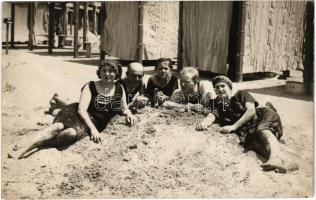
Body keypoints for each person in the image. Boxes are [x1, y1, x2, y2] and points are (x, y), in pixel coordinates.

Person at [9, 59, 137, 159]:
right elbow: (81, 109)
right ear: (100, 72)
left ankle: (39, 143)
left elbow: (124, 108)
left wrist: (129, 114)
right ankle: (23, 149)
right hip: (76, 114)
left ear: (116, 73)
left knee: (69, 134)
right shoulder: (91, 85)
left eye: (111, 71)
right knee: (57, 127)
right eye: (104, 70)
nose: (107, 74)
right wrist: (93, 129)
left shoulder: (120, 88)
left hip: (96, 123)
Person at [196, 75, 299, 173]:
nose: (220, 89)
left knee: (262, 129)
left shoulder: (241, 94)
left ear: (229, 88)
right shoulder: (220, 107)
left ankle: (275, 158)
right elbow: (211, 116)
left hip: (263, 115)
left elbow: (251, 111)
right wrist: (204, 123)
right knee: (254, 143)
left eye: (223, 86)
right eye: (217, 87)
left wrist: (234, 126)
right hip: (249, 128)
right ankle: (287, 163)